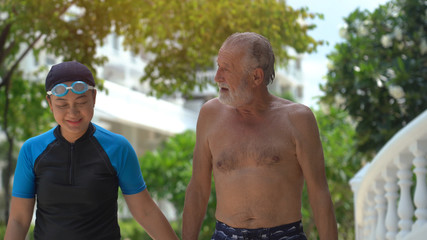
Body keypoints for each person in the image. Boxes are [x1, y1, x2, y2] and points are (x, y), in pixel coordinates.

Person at [182, 32, 338, 240]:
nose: (217, 77)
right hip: (225, 235)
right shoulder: (210, 114)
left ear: (256, 76)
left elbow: (319, 193)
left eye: (226, 69)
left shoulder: (298, 119)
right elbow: (198, 189)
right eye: (218, 66)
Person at [5, 61, 179, 240]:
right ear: (50, 103)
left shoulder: (118, 148)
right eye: (62, 105)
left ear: (94, 98)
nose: (72, 112)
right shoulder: (31, 150)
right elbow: (19, 220)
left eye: (81, 102)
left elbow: (145, 212)